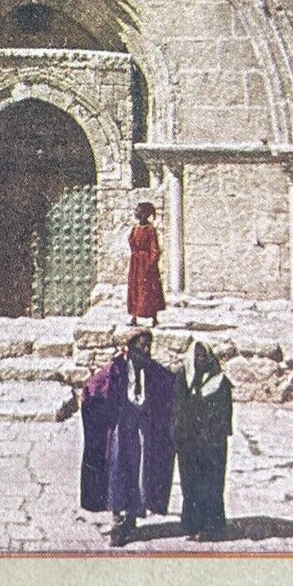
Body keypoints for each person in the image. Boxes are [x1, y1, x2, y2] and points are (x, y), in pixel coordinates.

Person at [79, 328, 176, 547]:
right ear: (130, 348)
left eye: (148, 345)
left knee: (141, 473)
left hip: (143, 433)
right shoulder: (117, 369)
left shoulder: (152, 370)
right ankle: (117, 520)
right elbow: (95, 384)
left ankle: (131, 518)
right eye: (142, 346)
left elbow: (170, 382)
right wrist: (93, 399)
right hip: (122, 432)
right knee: (118, 472)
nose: (146, 350)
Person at [173, 340, 234, 542]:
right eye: (196, 356)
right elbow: (177, 408)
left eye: (203, 357)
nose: (200, 360)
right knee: (190, 484)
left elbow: (224, 416)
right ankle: (192, 523)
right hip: (189, 444)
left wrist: (211, 434)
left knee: (211, 485)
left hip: (212, 445)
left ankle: (212, 527)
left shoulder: (220, 382)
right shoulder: (183, 378)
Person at [127, 202, 167, 325]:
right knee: (135, 289)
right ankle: (134, 317)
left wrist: (150, 264)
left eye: (139, 211)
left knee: (149, 290)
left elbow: (155, 249)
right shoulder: (135, 229)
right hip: (136, 264)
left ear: (145, 214)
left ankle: (154, 318)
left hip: (146, 264)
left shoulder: (150, 230)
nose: (136, 213)